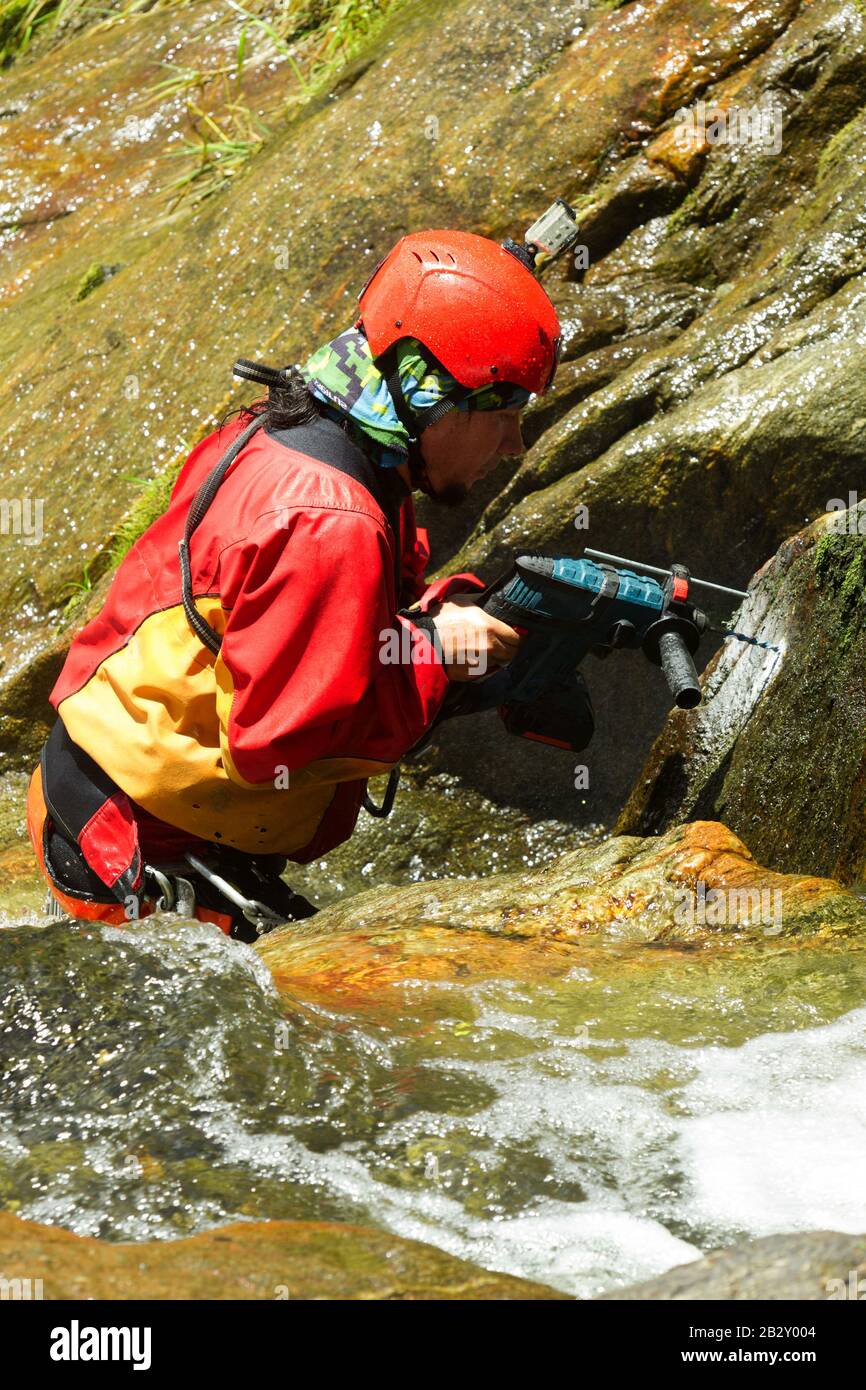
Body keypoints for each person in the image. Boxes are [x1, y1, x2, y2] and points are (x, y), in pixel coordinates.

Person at [26, 228, 562, 939]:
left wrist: (439, 616)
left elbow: (311, 623)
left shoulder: (300, 429)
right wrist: (434, 656)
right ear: (427, 395)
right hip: (133, 862)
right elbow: (278, 744)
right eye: (502, 413)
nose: (513, 444)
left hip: (94, 802)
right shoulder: (329, 520)